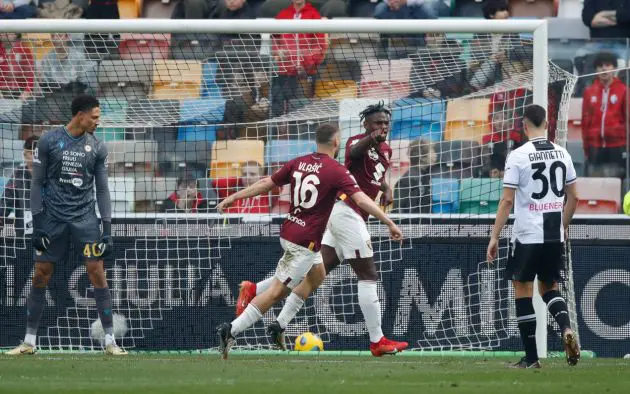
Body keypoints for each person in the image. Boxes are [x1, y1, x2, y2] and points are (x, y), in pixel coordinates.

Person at [215, 123, 404, 359]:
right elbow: (362, 200)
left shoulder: (299, 162)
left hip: (291, 231)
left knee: (318, 274)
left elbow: (266, 183)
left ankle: (274, 317)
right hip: (305, 243)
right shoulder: (336, 171)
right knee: (276, 293)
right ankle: (231, 330)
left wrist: (233, 196)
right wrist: (389, 221)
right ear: (336, 143)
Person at [6, 95, 127, 356]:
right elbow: (37, 184)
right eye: (94, 117)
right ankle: (29, 341)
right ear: (80, 115)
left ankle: (110, 342)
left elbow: (103, 190)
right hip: (52, 219)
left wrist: (107, 229)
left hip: (85, 220)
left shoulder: (97, 148)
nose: (98, 121)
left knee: (97, 273)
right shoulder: (49, 141)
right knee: (40, 274)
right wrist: (38, 225)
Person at [487, 105, 580, 368]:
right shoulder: (563, 153)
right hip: (553, 232)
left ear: (524, 126)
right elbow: (574, 197)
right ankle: (566, 329)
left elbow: (507, 201)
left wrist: (494, 236)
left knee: (523, 289)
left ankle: (531, 359)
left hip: (527, 233)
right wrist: (562, 225)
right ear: (548, 125)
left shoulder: (518, 156)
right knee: (549, 287)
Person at [581, 52, 627, 178]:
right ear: (596, 69)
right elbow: (585, 121)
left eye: (608, 65)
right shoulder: (589, 91)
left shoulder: (623, 90)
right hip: (595, 146)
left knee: (617, 184)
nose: (604, 68)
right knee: (595, 184)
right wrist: (586, 147)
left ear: (614, 68)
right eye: (600, 66)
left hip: (617, 146)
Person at [0, 136, 38, 237]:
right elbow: (7, 200)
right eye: (25, 152)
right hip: (24, 233)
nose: (25, 155)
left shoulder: (49, 174)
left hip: (48, 233)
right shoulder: (18, 174)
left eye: (30, 153)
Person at [392, 138, 434, 214]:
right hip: (411, 223)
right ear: (423, 156)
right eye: (432, 151)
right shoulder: (409, 180)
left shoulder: (425, 175)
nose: (435, 155)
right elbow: (398, 209)